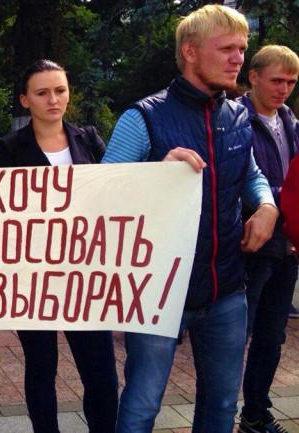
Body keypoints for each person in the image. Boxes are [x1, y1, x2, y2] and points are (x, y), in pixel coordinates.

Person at [101, 5, 279, 432]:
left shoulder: (238, 114)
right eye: (227, 48)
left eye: (242, 48)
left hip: (226, 288)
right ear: (191, 52)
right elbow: (104, 194)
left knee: (221, 406)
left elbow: (250, 174)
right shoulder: (143, 116)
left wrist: (267, 206)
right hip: (156, 290)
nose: (238, 58)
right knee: (142, 406)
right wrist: (158, 171)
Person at [0, 59, 118, 433]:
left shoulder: (89, 139)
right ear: (25, 100)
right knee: (41, 369)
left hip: (85, 276)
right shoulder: (11, 148)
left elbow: (117, 190)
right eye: (42, 93)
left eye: (60, 90)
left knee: (102, 375)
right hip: (33, 278)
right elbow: (1, 212)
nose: (53, 100)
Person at [235, 45, 299, 433]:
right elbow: (234, 181)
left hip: (285, 248)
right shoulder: (233, 119)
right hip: (249, 246)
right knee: (233, 338)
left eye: (291, 82)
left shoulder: (291, 121)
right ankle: (218, 413)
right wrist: (280, 201)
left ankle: (255, 414)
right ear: (254, 76)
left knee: (271, 339)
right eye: (276, 80)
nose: (284, 89)